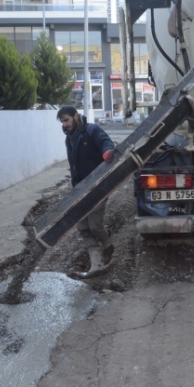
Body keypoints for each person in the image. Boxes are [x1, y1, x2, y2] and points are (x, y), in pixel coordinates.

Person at [57, 105, 115, 279]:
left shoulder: (92, 130)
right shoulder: (70, 139)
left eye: (66, 120)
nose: (64, 124)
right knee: (83, 227)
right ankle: (96, 265)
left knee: (95, 225)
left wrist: (107, 152)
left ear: (76, 116)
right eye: (62, 121)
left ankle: (108, 245)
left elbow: (106, 142)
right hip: (80, 190)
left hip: (98, 187)